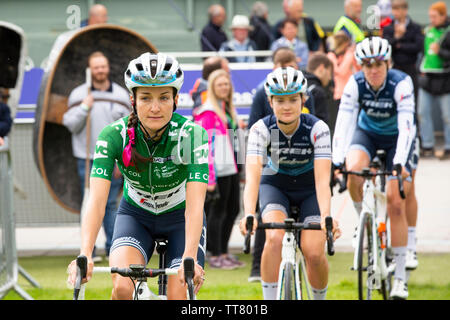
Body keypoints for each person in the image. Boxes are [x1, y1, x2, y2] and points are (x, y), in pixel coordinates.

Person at [67, 52, 209, 299]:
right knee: (123, 288)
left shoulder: (192, 135)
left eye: (164, 97)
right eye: (146, 98)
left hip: (180, 219)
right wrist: (85, 253)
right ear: (132, 99)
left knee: (180, 295)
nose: (155, 107)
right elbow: (97, 201)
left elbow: (195, 205)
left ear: (176, 99)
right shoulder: (113, 135)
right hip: (136, 216)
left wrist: (189, 256)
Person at [240, 67, 340, 300]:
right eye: (280, 100)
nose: (287, 106)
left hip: (310, 190)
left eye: (293, 99)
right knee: (274, 238)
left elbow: (323, 181)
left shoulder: (318, 129)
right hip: (275, 186)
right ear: (270, 101)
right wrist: (248, 213)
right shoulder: (260, 129)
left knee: (314, 252)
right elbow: (253, 176)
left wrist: (326, 215)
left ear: (303, 100)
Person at [332, 37, 416, 300]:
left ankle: (400, 278)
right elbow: (343, 123)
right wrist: (337, 161)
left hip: (397, 141)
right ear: (360, 66)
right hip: (367, 134)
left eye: (378, 63)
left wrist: (399, 162)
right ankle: (363, 219)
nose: (373, 69)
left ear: (387, 63)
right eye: (367, 65)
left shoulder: (400, 82)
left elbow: (406, 127)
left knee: (395, 202)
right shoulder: (355, 84)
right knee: (354, 169)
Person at [62, 51, 130, 262]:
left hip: (114, 159)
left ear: (108, 68)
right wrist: (84, 107)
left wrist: (122, 160)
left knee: (110, 204)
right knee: (90, 203)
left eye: (103, 66)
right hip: (87, 158)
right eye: (96, 67)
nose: (100, 70)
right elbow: (71, 125)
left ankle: (113, 248)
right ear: (90, 70)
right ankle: (88, 251)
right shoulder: (79, 94)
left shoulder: (120, 94)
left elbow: (129, 130)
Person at [193, 69, 243, 269]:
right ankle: (215, 254)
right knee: (218, 212)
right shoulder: (207, 112)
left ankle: (223, 251)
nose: (224, 87)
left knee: (233, 209)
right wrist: (210, 177)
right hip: (218, 170)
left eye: (227, 84)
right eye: (220, 84)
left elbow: (235, 140)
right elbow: (204, 145)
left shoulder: (228, 109)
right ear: (212, 88)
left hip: (230, 168)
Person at [417, 1, 450, 159]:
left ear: (444, 16)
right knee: (423, 112)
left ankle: (448, 147)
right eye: (430, 16)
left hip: (445, 79)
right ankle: (428, 145)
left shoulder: (448, 32)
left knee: (447, 116)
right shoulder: (428, 30)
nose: (432, 19)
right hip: (427, 78)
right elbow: (424, 53)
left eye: (435, 17)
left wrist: (441, 52)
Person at [383, 0, 424, 107]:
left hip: (411, 69)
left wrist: (399, 46)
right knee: (394, 100)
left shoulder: (415, 27)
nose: (395, 12)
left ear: (405, 10)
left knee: (411, 100)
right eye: (394, 9)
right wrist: (397, 37)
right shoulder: (388, 28)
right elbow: (386, 46)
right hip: (394, 68)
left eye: (398, 9)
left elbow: (418, 47)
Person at [326, 31, 360, 135]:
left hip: (351, 92)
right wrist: (349, 55)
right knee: (340, 123)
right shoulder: (331, 56)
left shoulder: (350, 55)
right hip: (337, 94)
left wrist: (353, 55)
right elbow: (340, 71)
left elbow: (359, 70)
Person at [304, 52, 334, 127]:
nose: (330, 78)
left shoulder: (297, 84)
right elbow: (322, 127)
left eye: (293, 100)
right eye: (330, 73)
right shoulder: (318, 92)